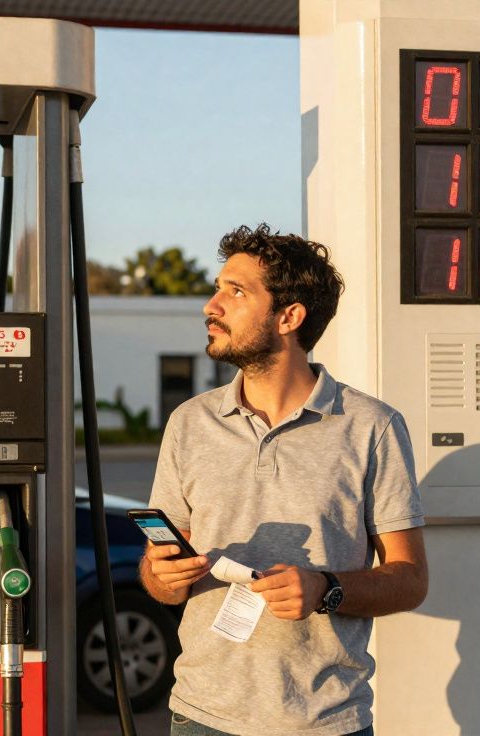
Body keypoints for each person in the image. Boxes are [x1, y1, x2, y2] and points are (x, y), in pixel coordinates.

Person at [140, 224, 428, 736]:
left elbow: (410, 579)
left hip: (324, 722)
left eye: (236, 291)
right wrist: (161, 576)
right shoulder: (189, 421)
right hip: (200, 717)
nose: (212, 305)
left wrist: (325, 589)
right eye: (217, 287)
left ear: (289, 316)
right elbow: (163, 580)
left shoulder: (372, 427)